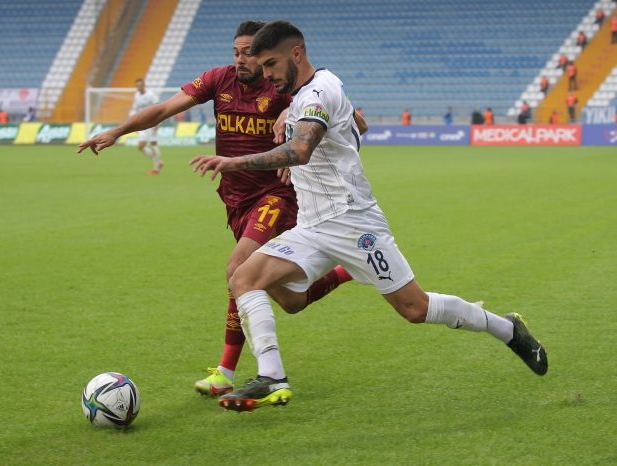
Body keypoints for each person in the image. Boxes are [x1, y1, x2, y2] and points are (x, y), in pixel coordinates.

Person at [190, 20, 548, 412]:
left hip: (353, 224)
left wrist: (234, 160)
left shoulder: (319, 92)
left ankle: (506, 327)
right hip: (312, 226)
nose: (267, 74)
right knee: (244, 277)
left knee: (415, 308)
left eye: (272, 64)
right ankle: (271, 377)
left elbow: (302, 149)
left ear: (296, 53)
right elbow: (352, 126)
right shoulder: (307, 94)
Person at [78, 21, 364, 397]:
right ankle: (343, 272)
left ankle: (227, 372)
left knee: (237, 268)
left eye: (249, 53)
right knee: (291, 300)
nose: (242, 60)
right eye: (236, 52)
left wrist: (289, 117)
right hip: (235, 200)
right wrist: (116, 132)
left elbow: (352, 118)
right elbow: (165, 108)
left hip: (275, 198)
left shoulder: (285, 85)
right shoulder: (218, 80)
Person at [131, 78, 164, 175]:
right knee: (141, 146)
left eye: (140, 85)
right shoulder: (136, 95)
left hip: (151, 122)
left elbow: (158, 107)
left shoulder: (150, 95)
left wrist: (157, 121)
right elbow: (138, 109)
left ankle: (156, 169)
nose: (139, 87)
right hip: (142, 123)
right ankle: (158, 162)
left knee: (153, 145)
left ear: (144, 85)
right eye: (137, 85)